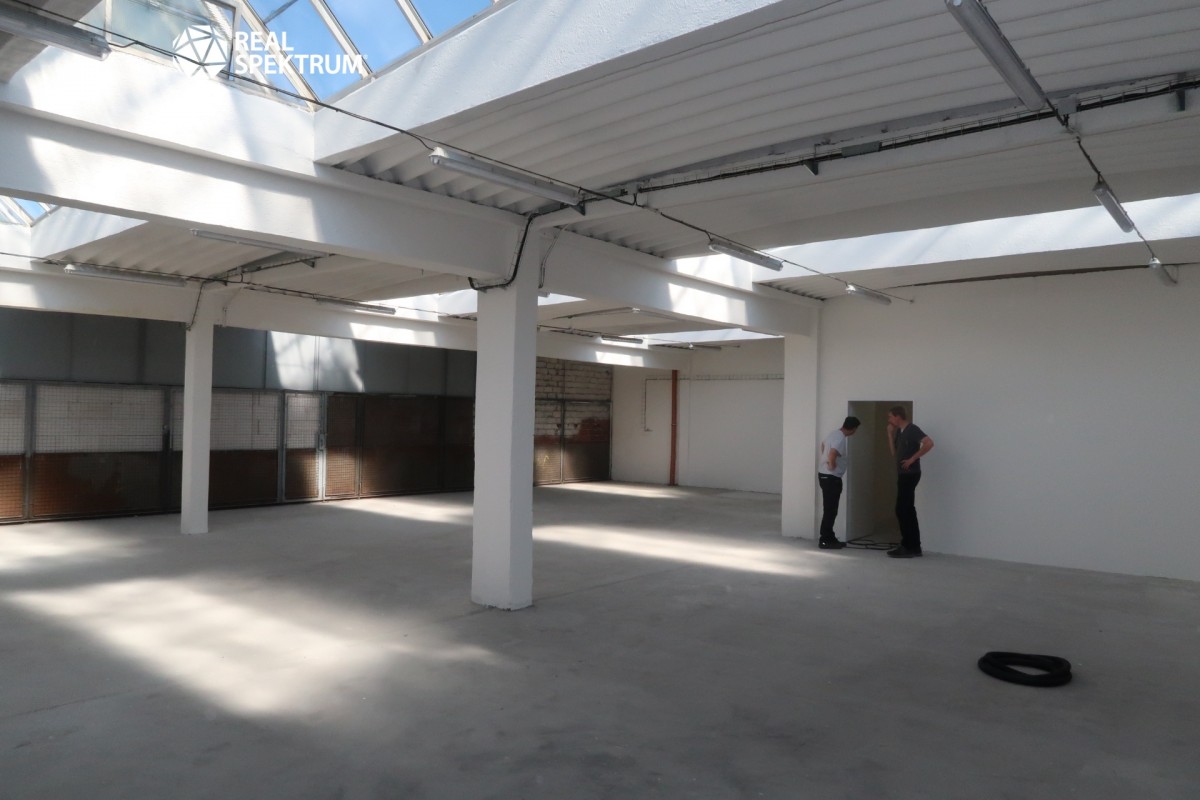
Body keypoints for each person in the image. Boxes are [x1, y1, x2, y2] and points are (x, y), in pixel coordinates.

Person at [885, 406, 934, 558]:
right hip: (903, 474)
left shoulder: (912, 429)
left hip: (910, 474)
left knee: (902, 509)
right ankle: (914, 546)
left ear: (898, 416)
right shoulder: (900, 432)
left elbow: (929, 443)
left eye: (890, 417)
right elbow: (894, 453)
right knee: (908, 509)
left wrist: (913, 459)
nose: (889, 420)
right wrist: (890, 434)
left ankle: (907, 546)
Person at [816, 416, 861, 549]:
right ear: (853, 428)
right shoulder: (840, 438)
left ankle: (830, 537)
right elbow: (832, 453)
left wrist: (825, 460)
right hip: (831, 478)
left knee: (830, 509)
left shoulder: (834, 433)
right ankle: (825, 539)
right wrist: (832, 465)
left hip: (824, 475)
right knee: (831, 510)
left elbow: (823, 445)